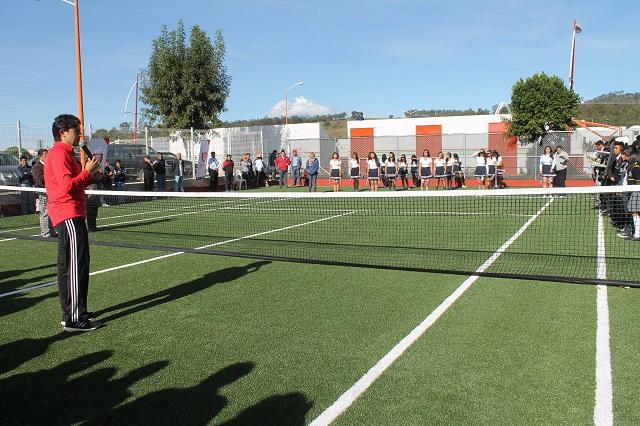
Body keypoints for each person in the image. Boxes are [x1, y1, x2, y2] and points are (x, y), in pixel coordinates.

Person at [45, 114, 101, 332]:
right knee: (77, 265)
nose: (79, 133)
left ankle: (72, 312)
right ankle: (75, 318)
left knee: (69, 265)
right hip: (68, 213)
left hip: (70, 212)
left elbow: (75, 183)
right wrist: (86, 172)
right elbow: (68, 186)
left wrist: (90, 174)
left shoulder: (64, 153)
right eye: (76, 130)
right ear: (63, 132)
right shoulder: (59, 153)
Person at [31, 148, 55, 237]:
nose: (47, 156)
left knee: (51, 212)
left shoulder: (50, 165)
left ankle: (52, 231)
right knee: (44, 212)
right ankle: (45, 233)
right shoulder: (37, 167)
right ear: (40, 156)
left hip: (51, 191)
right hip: (43, 192)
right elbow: (41, 179)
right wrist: (52, 175)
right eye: (45, 155)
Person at [625, 149, 640, 241]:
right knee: (634, 212)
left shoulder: (636, 168)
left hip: (636, 192)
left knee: (635, 212)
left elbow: (638, 182)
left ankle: (637, 234)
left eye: (630, 156)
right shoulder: (632, 167)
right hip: (633, 192)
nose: (628, 157)